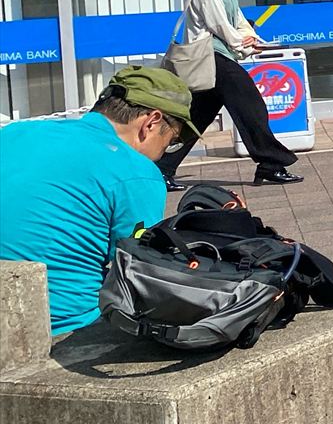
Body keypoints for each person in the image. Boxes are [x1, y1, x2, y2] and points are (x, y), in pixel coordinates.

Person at [0, 66, 195, 336]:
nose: (164, 153)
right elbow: (144, 272)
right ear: (151, 122)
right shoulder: (136, 171)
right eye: (171, 141)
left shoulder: (14, 133)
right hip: (61, 326)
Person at [162, 0, 302, 190]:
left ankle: (161, 167)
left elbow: (237, 19)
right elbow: (218, 23)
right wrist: (240, 43)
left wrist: (251, 41)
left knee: (197, 116)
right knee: (252, 106)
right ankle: (271, 163)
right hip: (212, 56)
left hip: (220, 55)